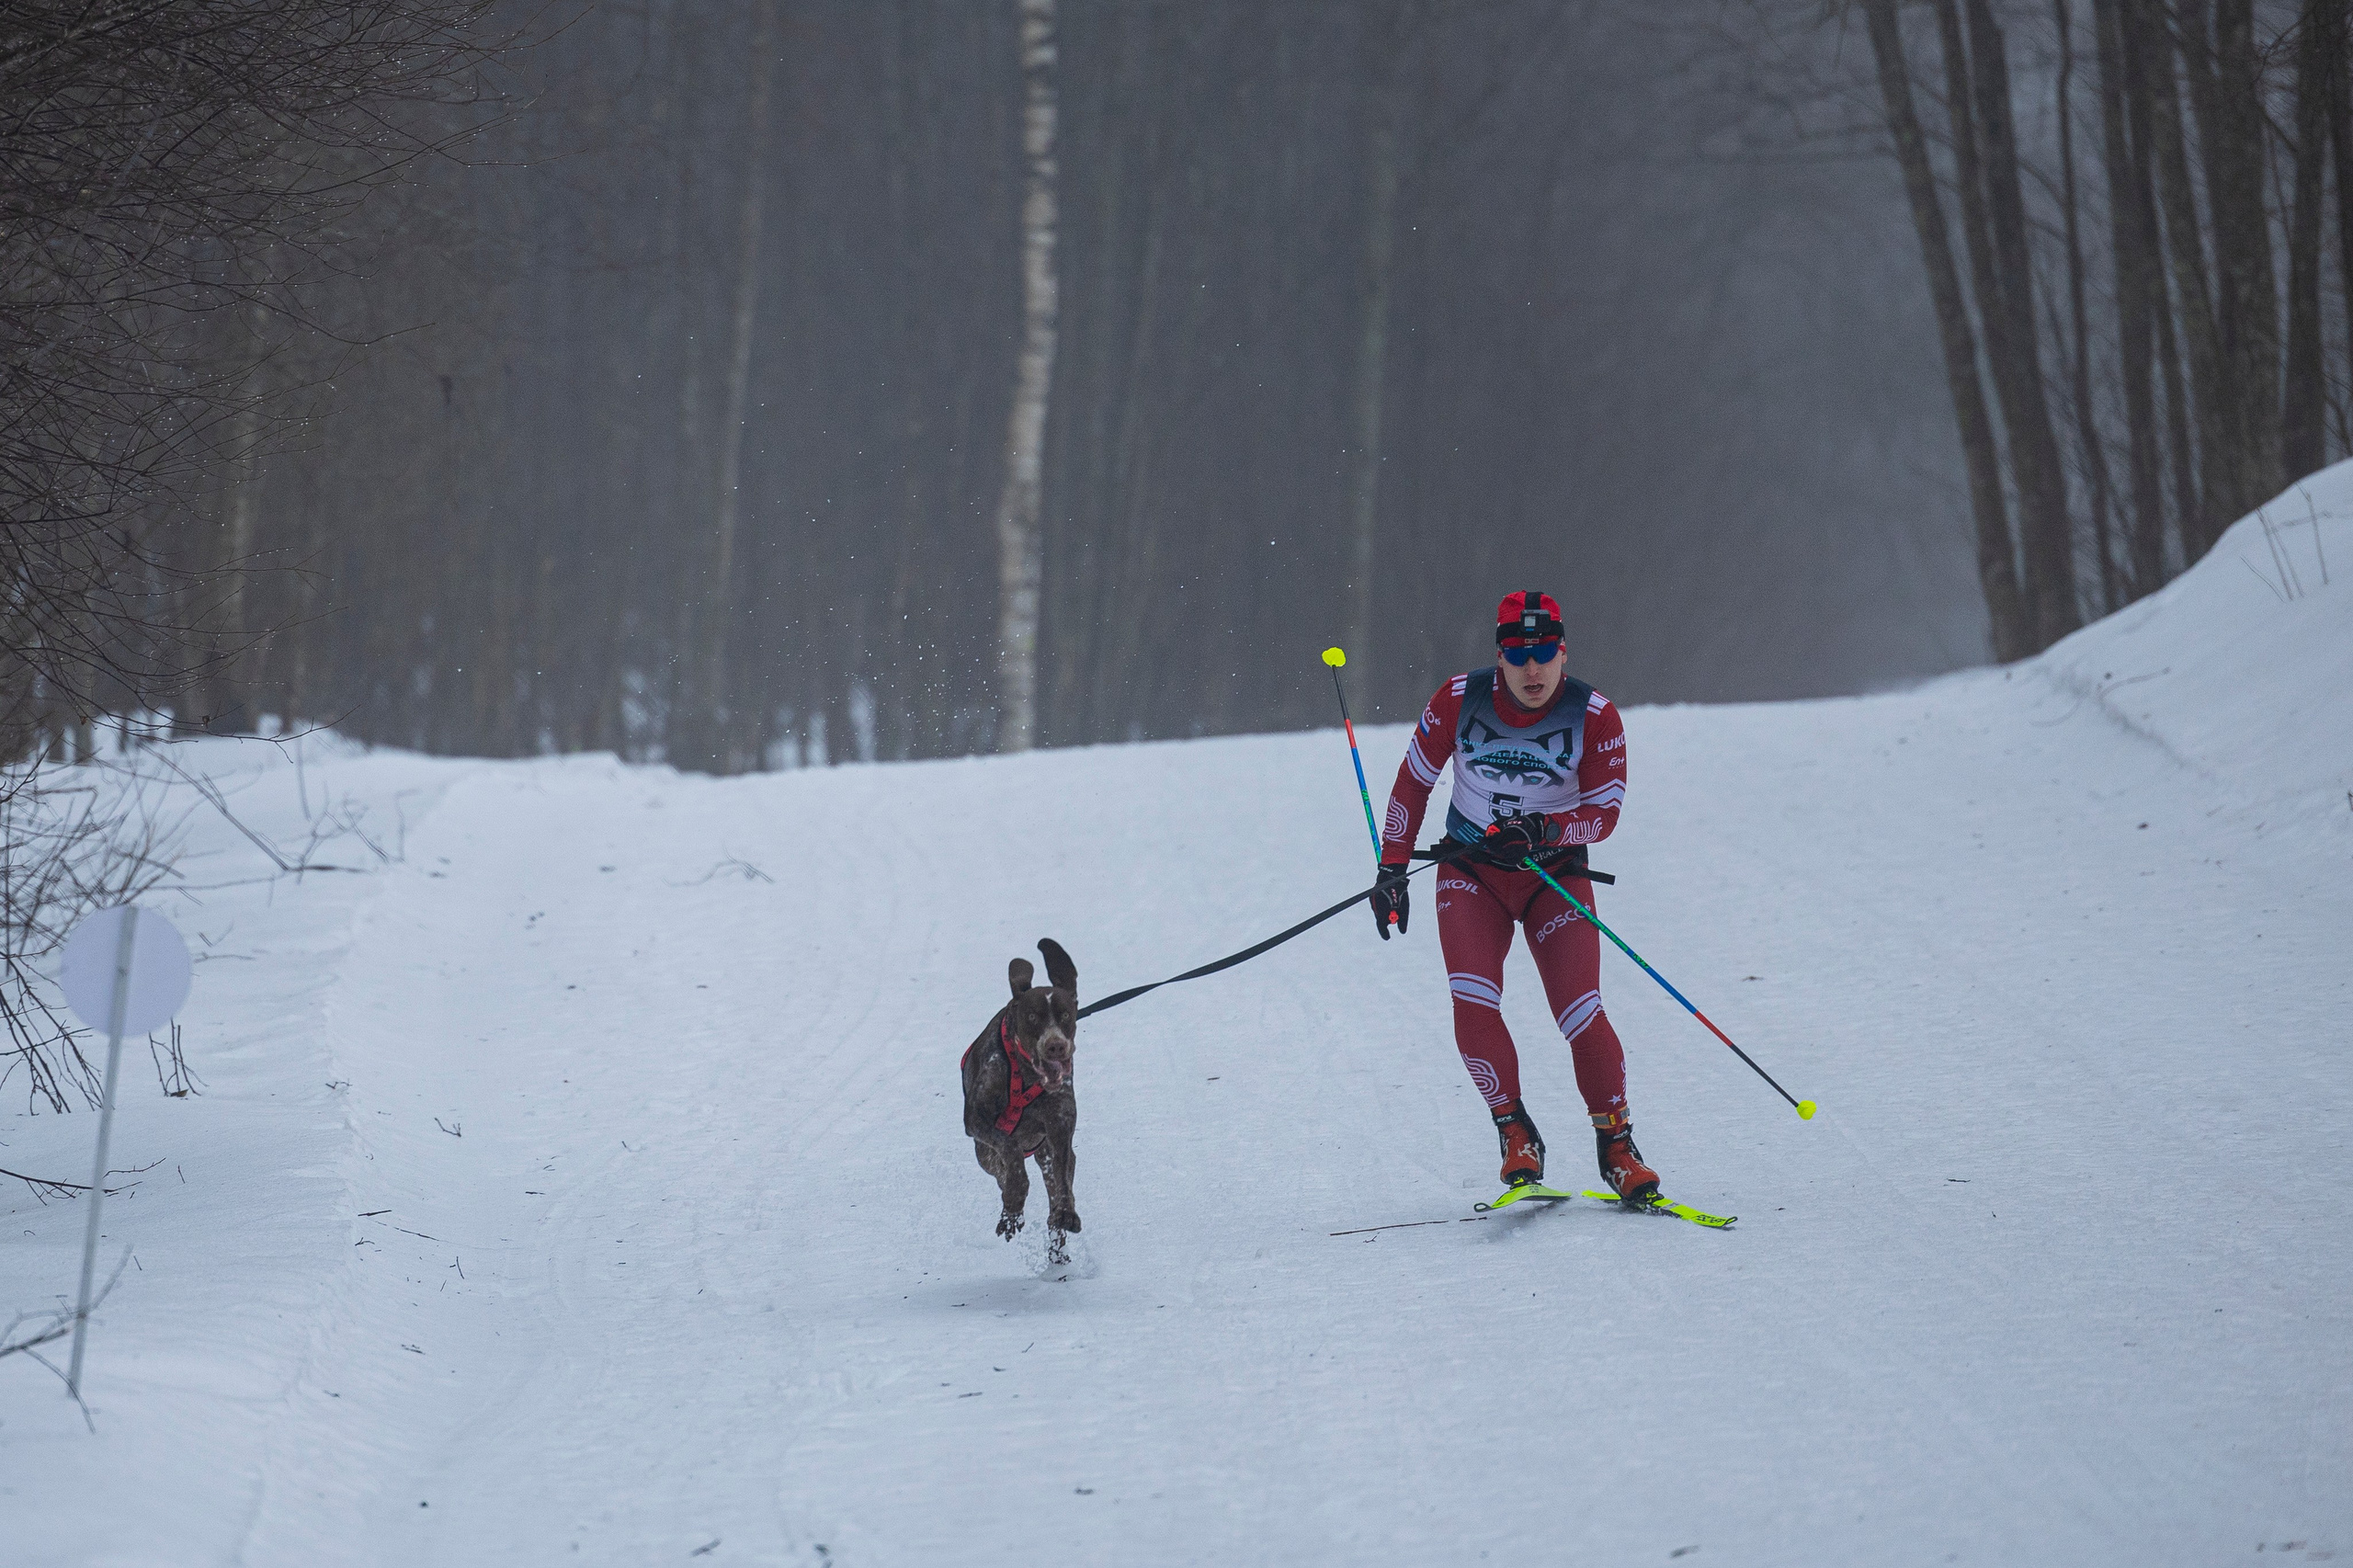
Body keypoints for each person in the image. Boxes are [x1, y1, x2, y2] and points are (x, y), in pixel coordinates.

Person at [1368, 590, 1659, 1200]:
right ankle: (1515, 1130)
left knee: (1580, 1011)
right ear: (1499, 656)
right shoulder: (1457, 699)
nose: (1533, 669)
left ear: (1563, 651)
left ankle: (1617, 1145)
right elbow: (1411, 785)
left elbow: (1604, 813)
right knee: (1473, 1002)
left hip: (1554, 876)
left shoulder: (1594, 715)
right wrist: (1392, 869)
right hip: (1472, 873)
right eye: (1519, 653)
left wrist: (1544, 831)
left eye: (1545, 652)